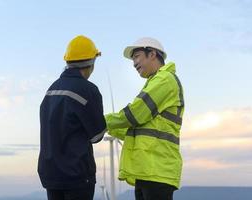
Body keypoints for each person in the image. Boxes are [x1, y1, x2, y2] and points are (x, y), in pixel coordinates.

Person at [105, 37, 184, 200]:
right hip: (148, 171)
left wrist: (100, 121)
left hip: (157, 170)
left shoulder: (165, 80)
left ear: (153, 54)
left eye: (137, 56)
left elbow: (135, 114)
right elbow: (136, 130)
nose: (134, 63)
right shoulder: (155, 82)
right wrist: (108, 127)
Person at [38, 35, 107, 200]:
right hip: (77, 175)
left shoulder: (51, 90)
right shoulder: (88, 89)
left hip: (50, 174)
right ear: (91, 62)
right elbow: (97, 135)